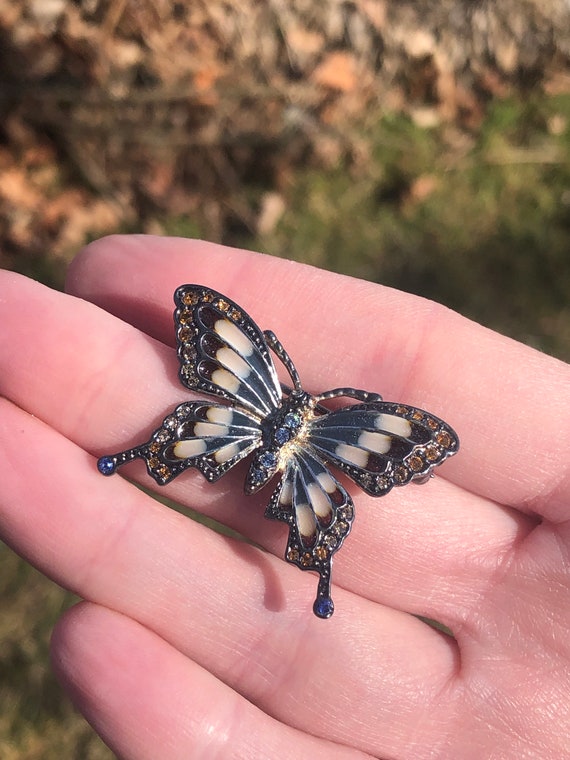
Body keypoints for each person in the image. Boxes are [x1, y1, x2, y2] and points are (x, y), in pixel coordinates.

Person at [1, 234, 569, 759]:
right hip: (283, 446)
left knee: (212, 442)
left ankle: (306, 564)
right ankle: (138, 457)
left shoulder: (296, 396)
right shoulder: (334, 421)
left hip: (245, 425)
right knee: (203, 444)